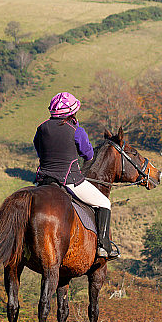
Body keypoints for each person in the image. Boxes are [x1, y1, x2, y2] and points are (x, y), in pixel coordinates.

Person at [33, 92, 118, 258]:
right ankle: (103, 246)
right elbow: (88, 155)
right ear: (73, 112)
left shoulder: (41, 128)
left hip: (43, 180)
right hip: (69, 180)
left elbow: (39, 149)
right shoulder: (76, 131)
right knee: (104, 202)